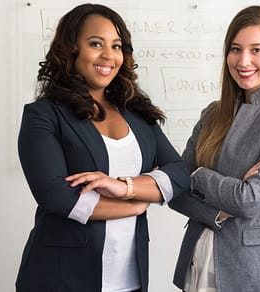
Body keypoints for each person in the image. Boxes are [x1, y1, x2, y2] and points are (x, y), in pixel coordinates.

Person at [15, 4, 190, 292]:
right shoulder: (44, 115)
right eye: (96, 44)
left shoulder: (138, 115)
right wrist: (136, 205)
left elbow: (180, 175)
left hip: (129, 280)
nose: (109, 55)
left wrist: (125, 188)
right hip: (62, 277)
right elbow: (57, 197)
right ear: (71, 49)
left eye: (116, 46)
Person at [168, 5, 260, 292]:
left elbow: (249, 199)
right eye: (235, 49)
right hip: (200, 253)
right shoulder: (212, 113)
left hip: (257, 266)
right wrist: (217, 212)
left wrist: (197, 174)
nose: (243, 60)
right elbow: (174, 191)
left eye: (256, 49)